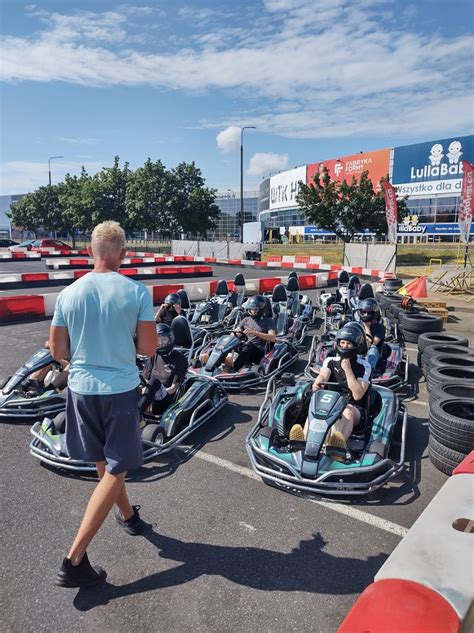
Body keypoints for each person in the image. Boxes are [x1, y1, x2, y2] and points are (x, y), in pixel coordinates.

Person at [50, 221, 157, 588]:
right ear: (123, 253)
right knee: (118, 467)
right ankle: (73, 558)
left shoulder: (69, 293)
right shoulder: (137, 292)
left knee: (104, 461)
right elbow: (148, 349)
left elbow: (57, 351)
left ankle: (128, 517)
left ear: (91, 252)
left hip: (80, 389)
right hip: (119, 389)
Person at [289, 322, 371, 452]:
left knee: (347, 411)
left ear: (356, 346)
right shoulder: (331, 361)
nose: (345, 346)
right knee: (314, 405)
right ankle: (304, 441)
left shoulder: (364, 366)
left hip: (353, 407)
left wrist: (348, 369)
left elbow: (358, 394)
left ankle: (337, 447)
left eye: (349, 343)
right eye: (342, 342)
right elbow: (323, 376)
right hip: (329, 402)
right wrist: (318, 382)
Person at [140, 323, 188, 415]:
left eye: (164, 339)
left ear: (170, 340)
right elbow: (145, 379)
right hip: (148, 396)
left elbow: (173, 388)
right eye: (158, 339)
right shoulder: (154, 356)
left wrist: (152, 396)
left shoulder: (180, 359)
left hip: (166, 400)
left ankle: (136, 416)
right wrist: (146, 394)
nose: (160, 343)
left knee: (154, 382)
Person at [231, 295, 276, 372]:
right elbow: (236, 332)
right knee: (227, 344)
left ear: (261, 309)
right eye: (252, 309)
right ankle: (213, 367)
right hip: (244, 347)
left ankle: (234, 369)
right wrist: (235, 335)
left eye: (255, 309)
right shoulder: (246, 320)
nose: (253, 311)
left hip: (259, 351)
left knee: (248, 346)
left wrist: (255, 333)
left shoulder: (268, 321)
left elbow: (272, 337)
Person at [358, 298, 385, 370]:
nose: (366, 314)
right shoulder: (356, 325)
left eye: (369, 312)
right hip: (356, 350)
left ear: (374, 313)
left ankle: (369, 370)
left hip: (371, 352)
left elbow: (372, 343)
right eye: (364, 312)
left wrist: (367, 327)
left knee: (373, 349)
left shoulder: (380, 327)